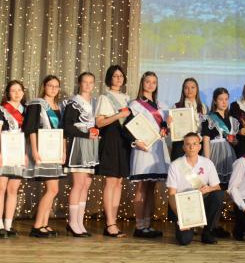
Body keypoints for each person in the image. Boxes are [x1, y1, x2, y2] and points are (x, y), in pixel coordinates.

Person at [128, 71, 170, 238]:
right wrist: (136, 141)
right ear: (142, 83)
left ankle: (147, 225)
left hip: (158, 149)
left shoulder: (162, 105)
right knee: (141, 187)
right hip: (143, 149)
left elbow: (164, 128)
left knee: (152, 188)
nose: (151, 85)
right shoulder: (135, 104)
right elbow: (129, 127)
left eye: (154, 82)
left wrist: (167, 126)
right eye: (147, 81)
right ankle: (139, 227)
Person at [23, 75, 65, 238]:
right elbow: (31, 129)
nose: (53, 89)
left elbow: (62, 132)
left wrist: (63, 151)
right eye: (50, 86)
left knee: (52, 189)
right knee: (53, 189)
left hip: (55, 151)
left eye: (56, 86)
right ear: (44, 86)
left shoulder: (58, 106)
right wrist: (34, 150)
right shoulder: (37, 104)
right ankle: (37, 226)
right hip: (43, 149)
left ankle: (44, 224)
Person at [166, 132, 225, 245]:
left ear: (199, 146)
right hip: (184, 207)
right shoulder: (175, 165)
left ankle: (208, 232)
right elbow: (171, 194)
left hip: (203, 202)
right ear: (183, 147)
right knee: (184, 240)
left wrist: (209, 189)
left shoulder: (208, 163)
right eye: (188, 144)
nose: (191, 147)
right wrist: (181, 217)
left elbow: (217, 187)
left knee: (218, 195)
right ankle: (188, 227)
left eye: (194, 144)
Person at [95, 64, 133, 237]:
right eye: (115, 76)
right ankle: (109, 223)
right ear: (109, 78)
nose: (118, 79)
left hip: (124, 140)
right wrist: (118, 115)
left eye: (121, 76)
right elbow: (99, 123)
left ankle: (114, 222)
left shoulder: (127, 98)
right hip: (110, 138)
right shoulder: (104, 97)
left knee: (119, 182)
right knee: (111, 182)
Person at [0, 79, 29, 238]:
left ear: (23, 92)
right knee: (1, 188)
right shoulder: (1, 109)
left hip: (18, 151)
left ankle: (8, 225)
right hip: (4, 150)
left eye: (19, 90)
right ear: (7, 93)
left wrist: (25, 153)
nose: (17, 93)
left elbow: (26, 135)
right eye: (13, 90)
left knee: (13, 189)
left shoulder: (26, 110)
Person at [63, 72, 100, 236]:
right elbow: (67, 126)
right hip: (79, 143)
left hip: (92, 144)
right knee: (78, 184)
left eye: (91, 82)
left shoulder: (95, 102)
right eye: (85, 82)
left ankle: (79, 221)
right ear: (79, 83)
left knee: (86, 184)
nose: (88, 85)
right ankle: (72, 222)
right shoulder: (73, 103)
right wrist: (85, 134)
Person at [205, 87, 240, 186]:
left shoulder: (232, 119)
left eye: (226, 99)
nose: (224, 102)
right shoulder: (209, 118)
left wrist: (234, 141)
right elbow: (206, 139)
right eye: (221, 99)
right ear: (215, 101)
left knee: (229, 184)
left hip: (229, 154)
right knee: (214, 182)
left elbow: (234, 140)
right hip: (214, 153)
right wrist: (207, 162)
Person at [168, 77, 209, 161]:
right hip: (180, 144)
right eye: (186, 88)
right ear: (183, 90)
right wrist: (169, 124)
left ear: (197, 89)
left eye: (192, 87)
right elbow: (172, 129)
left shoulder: (204, 107)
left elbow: (206, 128)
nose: (189, 90)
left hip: (198, 144)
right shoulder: (176, 106)